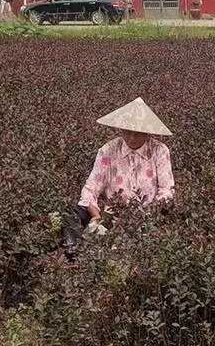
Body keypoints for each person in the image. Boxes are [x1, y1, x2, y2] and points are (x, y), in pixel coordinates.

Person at [72, 98, 174, 245]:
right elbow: (91, 187)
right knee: (74, 221)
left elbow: (167, 191)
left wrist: (150, 215)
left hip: (147, 218)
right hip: (111, 217)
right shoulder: (108, 150)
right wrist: (96, 215)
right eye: (127, 132)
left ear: (147, 132)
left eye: (137, 133)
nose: (131, 138)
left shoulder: (160, 151)